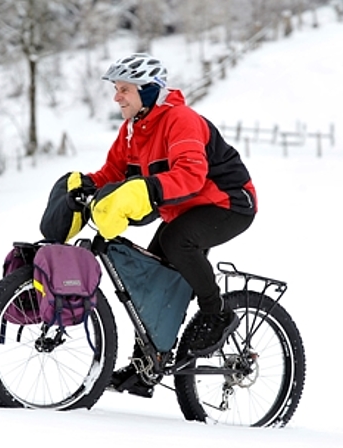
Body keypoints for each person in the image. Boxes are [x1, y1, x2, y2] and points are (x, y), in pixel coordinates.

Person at [66, 53, 257, 397]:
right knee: (154, 280)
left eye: (124, 89)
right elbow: (113, 173)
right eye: (116, 89)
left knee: (177, 243)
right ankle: (147, 364)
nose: (116, 97)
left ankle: (218, 314)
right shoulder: (132, 131)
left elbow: (191, 175)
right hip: (186, 210)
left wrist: (149, 189)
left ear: (149, 91)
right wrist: (86, 184)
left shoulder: (179, 120)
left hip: (228, 202)